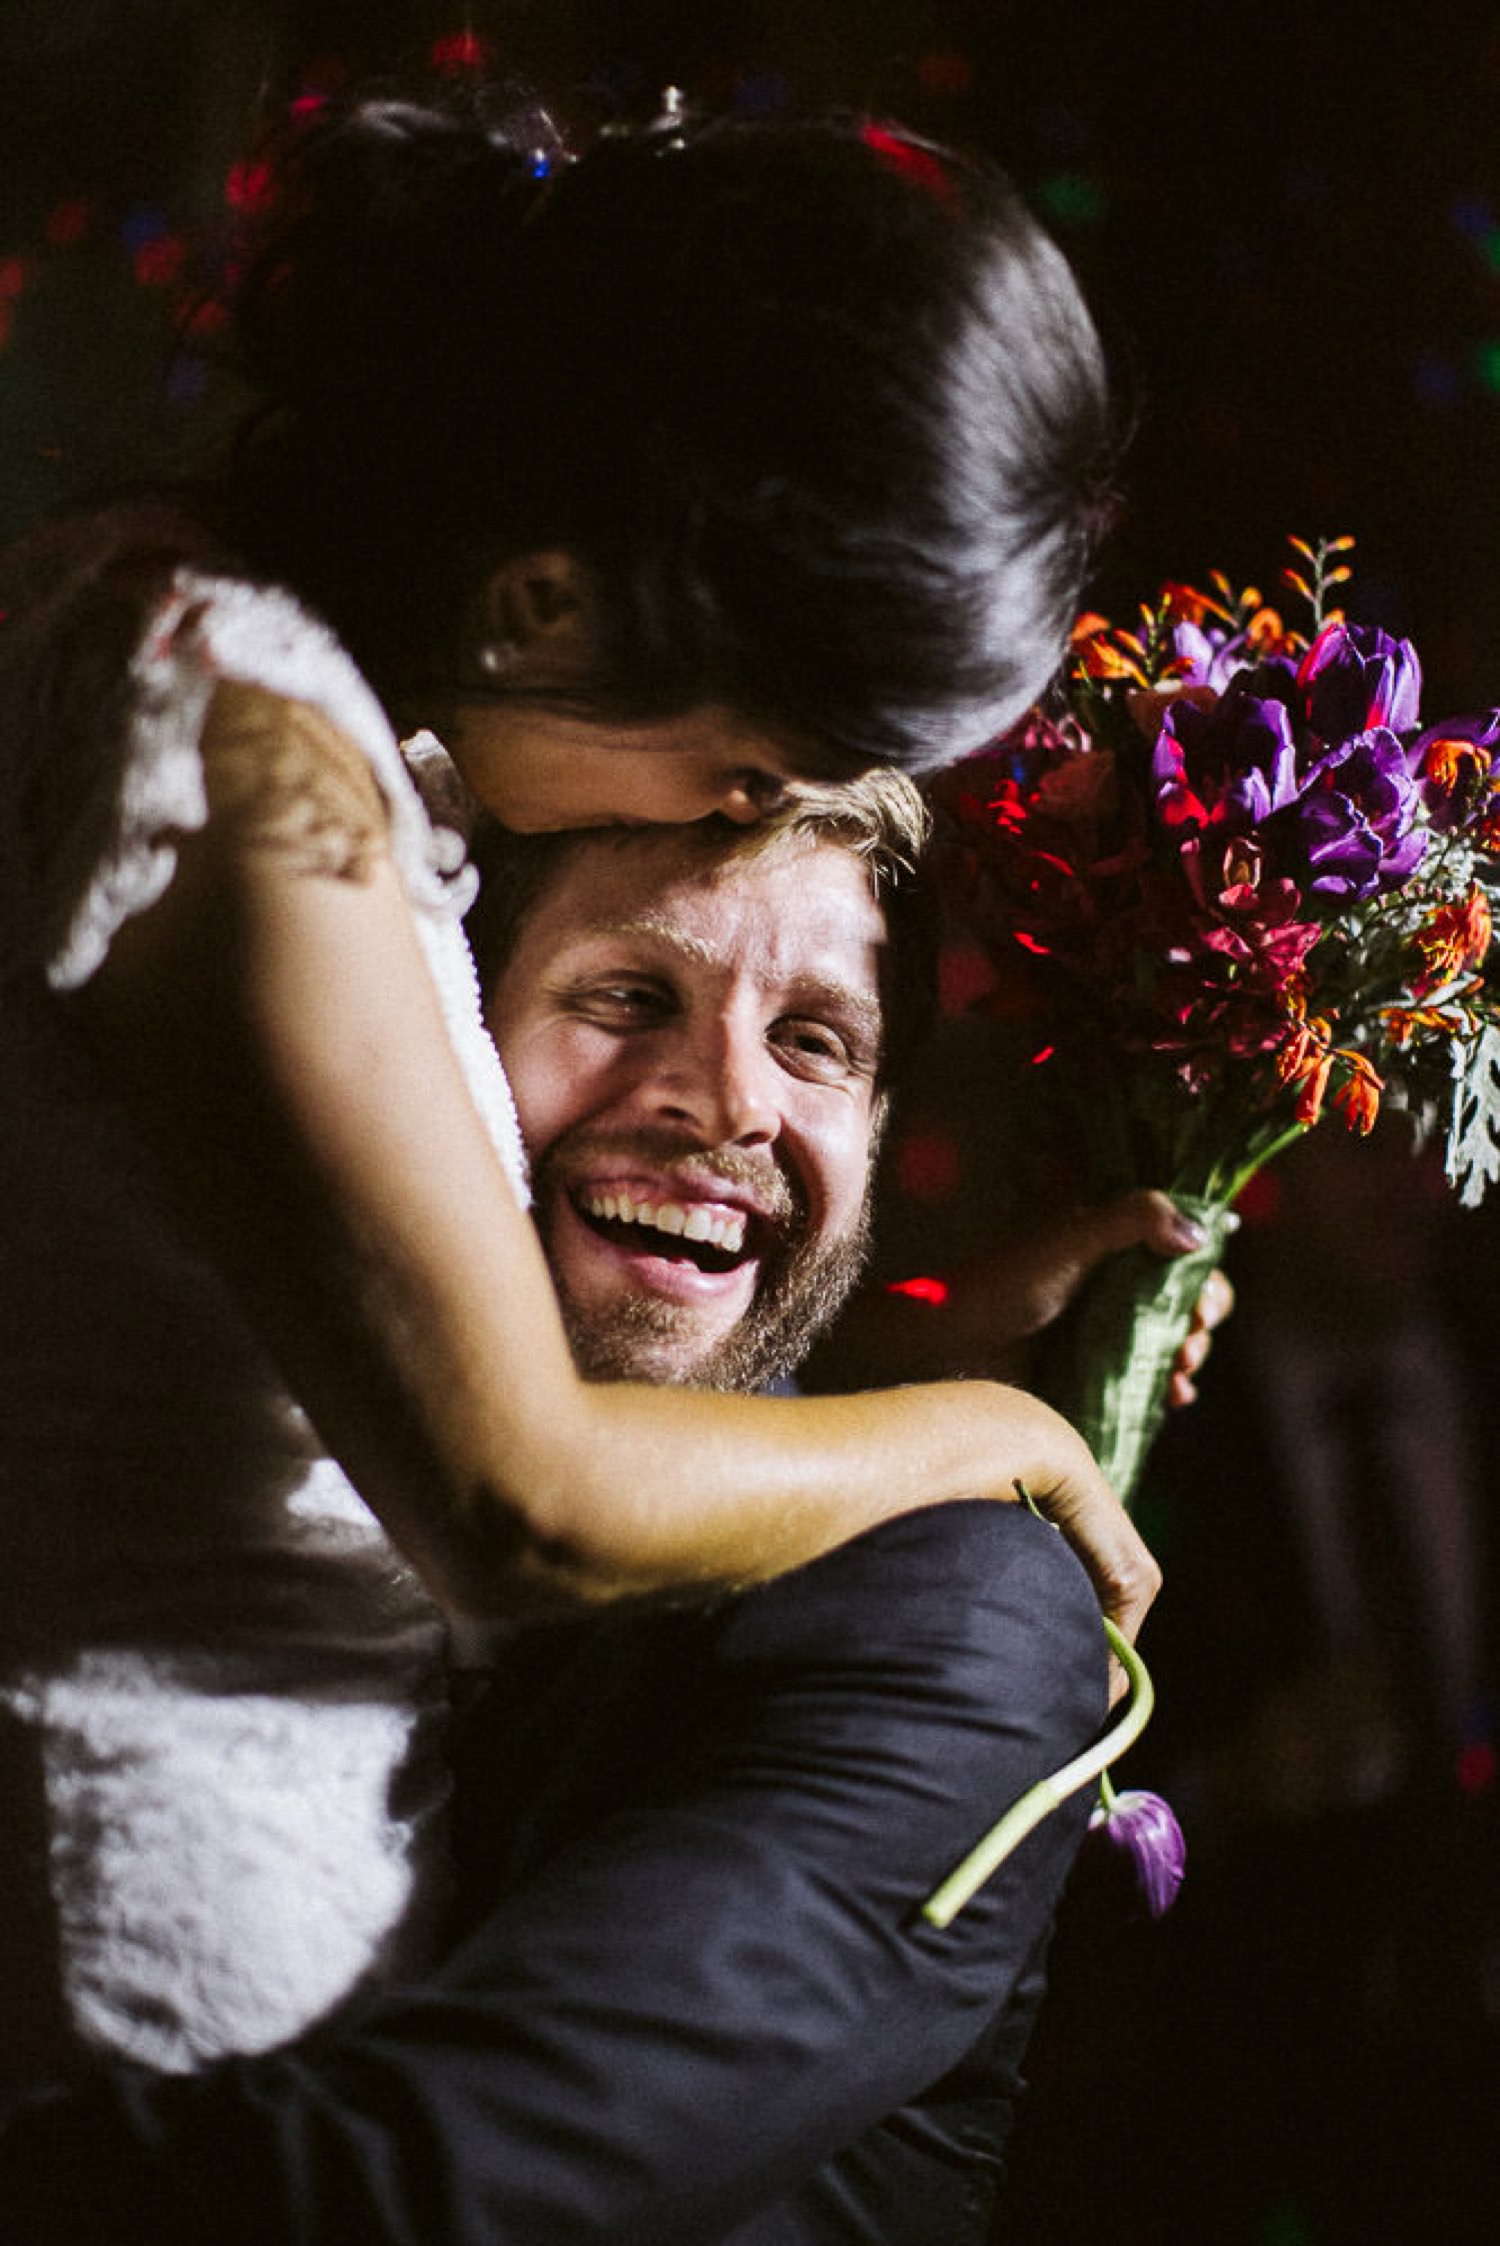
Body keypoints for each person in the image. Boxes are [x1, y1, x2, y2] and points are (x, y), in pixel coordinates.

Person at [0, 82, 1151, 2076]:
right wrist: (997, 1440)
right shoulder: (239, 753)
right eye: (751, 766)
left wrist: (948, 1345)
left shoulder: (271, 696)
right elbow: (521, 1499)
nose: (751, 816)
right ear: (547, 602)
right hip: (122, 2064)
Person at [0, 778, 1216, 2245]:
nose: (731, 1099)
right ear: (440, 1039)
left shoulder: (959, 1603)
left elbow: (426, 2184)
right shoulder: (219, 1450)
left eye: (815, 1040)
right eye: (629, 991)